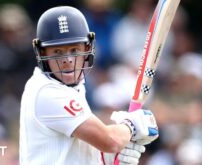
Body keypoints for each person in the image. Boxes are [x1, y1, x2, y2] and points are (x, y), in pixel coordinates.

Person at [19, 6, 159, 165]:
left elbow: (81, 149)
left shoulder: (72, 87)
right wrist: (131, 126)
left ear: (87, 49)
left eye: (74, 49)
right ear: (42, 54)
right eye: (58, 52)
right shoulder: (48, 92)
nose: (68, 60)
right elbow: (110, 141)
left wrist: (107, 158)